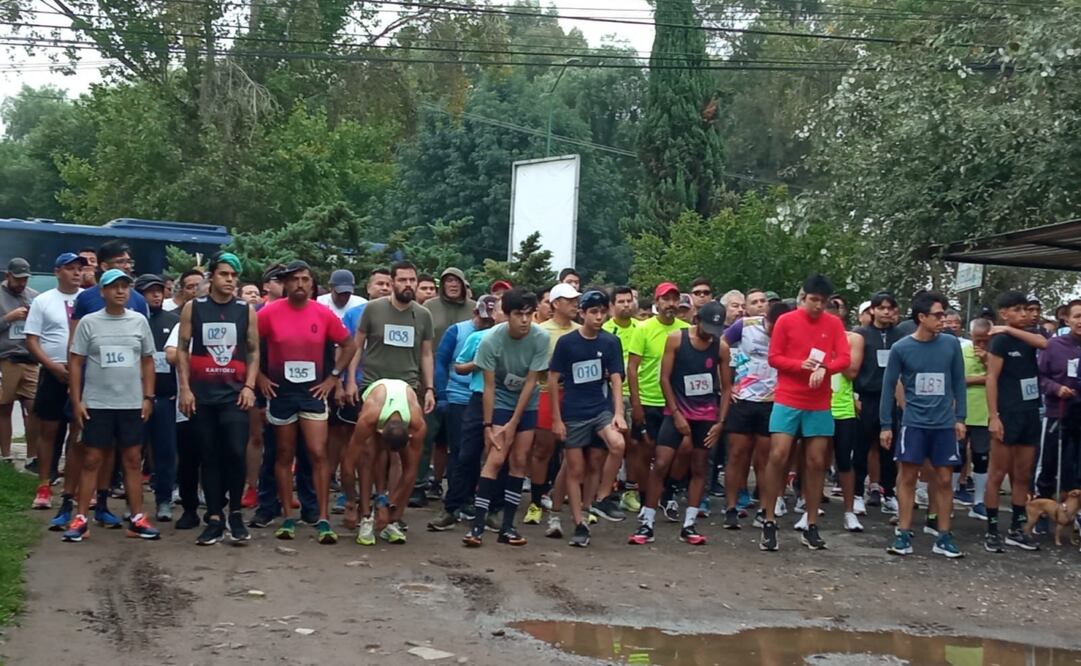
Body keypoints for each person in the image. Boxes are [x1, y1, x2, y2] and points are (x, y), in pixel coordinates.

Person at [257, 260, 357, 544]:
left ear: (313, 284)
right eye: (295, 280)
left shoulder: (322, 314)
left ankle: (323, 518)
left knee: (317, 452)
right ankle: (288, 516)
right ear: (286, 284)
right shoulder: (269, 313)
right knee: (284, 453)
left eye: (305, 279)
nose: (300, 284)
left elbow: (349, 344)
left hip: (313, 392)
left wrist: (334, 377)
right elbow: (248, 344)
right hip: (281, 392)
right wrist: (260, 377)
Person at [342, 260, 435, 543]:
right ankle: (366, 514)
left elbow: (426, 354)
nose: (408, 285)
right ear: (392, 282)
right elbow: (357, 346)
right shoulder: (374, 309)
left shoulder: (423, 315)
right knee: (371, 454)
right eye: (403, 280)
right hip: (374, 387)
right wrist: (349, 380)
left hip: (409, 387)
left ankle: (393, 514)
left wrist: (430, 388)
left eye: (412, 280)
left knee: (402, 459)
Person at [63, 269, 159, 542]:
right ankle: (80, 518)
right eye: (114, 287)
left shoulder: (139, 321)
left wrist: (148, 397)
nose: (120, 291)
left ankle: (138, 517)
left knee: (131, 459)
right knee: (92, 458)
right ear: (102, 291)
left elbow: (148, 360)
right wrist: (77, 399)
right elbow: (76, 361)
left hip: (130, 403)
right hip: (97, 403)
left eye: (125, 287)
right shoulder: (89, 323)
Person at [759, 274, 850, 552]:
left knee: (816, 460)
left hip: (819, 401)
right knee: (779, 454)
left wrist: (826, 368)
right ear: (803, 297)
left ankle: (811, 523)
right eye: (813, 300)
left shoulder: (833, 324)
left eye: (823, 302)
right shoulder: (786, 321)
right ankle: (770, 518)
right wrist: (803, 366)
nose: (818, 306)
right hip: (788, 397)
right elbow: (774, 358)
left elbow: (844, 357)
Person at [176, 253, 260, 545]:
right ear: (212, 277)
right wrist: (185, 389)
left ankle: (235, 513)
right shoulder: (193, 308)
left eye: (234, 276)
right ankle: (214, 517)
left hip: (234, 395)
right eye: (225, 275)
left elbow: (252, 350)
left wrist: (249, 387)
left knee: (236, 453)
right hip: (202, 395)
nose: (230, 281)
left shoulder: (244, 309)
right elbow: (183, 349)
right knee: (208, 457)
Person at [632, 302, 731, 546]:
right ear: (697, 320)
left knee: (699, 468)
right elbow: (664, 378)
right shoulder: (677, 339)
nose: (710, 333)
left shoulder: (721, 347)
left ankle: (689, 524)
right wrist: (675, 413)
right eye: (707, 327)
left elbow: (728, 387)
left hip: (706, 414)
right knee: (662, 463)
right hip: (677, 411)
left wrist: (721, 422)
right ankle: (647, 521)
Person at [880, 291, 967, 558]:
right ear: (921, 317)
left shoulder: (951, 345)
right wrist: (886, 424)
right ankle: (903, 534)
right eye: (938, 315)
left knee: (943, 479)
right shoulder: (901, 348)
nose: (944, 320)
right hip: (913, 423)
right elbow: (888, 386)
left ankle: (943, 535)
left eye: (944, 314)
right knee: (907, 477)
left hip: (943, 424)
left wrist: (960, 418)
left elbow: (958, 382)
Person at [462, 289, 549, 547]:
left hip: (527, 401)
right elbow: (488, 386)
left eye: (528, 314)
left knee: (520, 458)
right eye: (518, 314)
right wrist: (489, 425)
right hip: (500, 399)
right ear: (507, 315)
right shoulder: (491, 340)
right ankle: (477, 526)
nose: (524, 320)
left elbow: (532, 383)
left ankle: (508, 526)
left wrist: (514, 423)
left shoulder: (540, 338)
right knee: (496, 456)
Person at [548, 290, 627, 547]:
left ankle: (600, 499)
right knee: (574, 469)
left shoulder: (610, 342)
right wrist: (556, 419)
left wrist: (618, 413)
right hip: (573, 412)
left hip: (599, 409)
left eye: (603, 311)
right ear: (582, 313)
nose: (599, 316)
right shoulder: (567, 343)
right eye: (593, 311)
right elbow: (552, 379)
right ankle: (577, 522)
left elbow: (616, 378)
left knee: (617, 445)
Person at [428, 297, 507, 531]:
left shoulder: (521, 341)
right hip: (474, 398)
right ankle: (453, 507)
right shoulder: (475, 337)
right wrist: (478, 362)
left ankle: (494, 509)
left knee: (499, 456)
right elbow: (456, 366)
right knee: (464, 454)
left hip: (504, 401)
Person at [984, 291, 1048, 553]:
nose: (1025, 314)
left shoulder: (1027, 338)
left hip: (1030, 412)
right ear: (1004, 313)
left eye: (1027, 309)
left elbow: (1044, 343)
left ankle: (1017, 529)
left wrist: (1011, 331)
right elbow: (990, 378)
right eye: (1018, 310)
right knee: (997, 474)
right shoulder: (999, 342)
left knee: (1022, 475)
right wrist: (994, 416)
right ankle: (991, 530)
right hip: (1007, 414)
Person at [24, 253, 85, 519]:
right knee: (49, 428)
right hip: (54, 369)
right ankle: (44, 484)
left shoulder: (88, 298)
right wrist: (51, 366)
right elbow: (32, 339)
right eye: (70, 269)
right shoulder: (43, 300)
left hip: (81, 371)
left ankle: (75, 488)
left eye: (79, 269)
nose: (76, 274)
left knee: (78, 430)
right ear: (57, 271)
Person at [722, 301, 789, 529]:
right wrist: (726, 384)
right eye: (771, 324)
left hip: (772, 402)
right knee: (737, 454)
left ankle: (764, 509)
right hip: (742, 398)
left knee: (765, 460)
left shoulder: (789, 332)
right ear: (765, 318)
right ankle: (730, 508)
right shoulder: (744, 325)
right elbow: (720, 346)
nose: (773, 330)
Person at [628, 283, 690, 525]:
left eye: (675, 299)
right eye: (666, 299)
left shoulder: (686, 330)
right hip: (648, 398)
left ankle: (669, 492)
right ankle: (646, 498)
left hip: (677, 402)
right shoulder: (643, 328)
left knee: (683, 450)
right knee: (644, 450)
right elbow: (632, 368)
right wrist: (636, 402)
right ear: (657, 301)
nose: (671, 304)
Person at [414, 267, 474, 505]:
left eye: (456, 280)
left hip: (466, 381)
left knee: (457, 440)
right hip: (430, 379)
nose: (452, 284)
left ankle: (452, 487)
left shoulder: (474, 308)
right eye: (447, 280)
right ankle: (418, 484)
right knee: (426, 434)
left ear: (463, 283)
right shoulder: (429, 306)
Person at [524, 282, 582, 526]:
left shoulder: (582, 330)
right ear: (556, 304)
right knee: (542, 450)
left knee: (575, 452)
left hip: (577, 395)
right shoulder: (540, 332)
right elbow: (532, 368)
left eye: (576, 300)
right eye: (569, 301)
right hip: (547, 393)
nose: (575, 305)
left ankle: (574, 503)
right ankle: (536, 501)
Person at [346, 379, 427, 545]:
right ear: (379, 432)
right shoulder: (369, 418)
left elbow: (411, 471)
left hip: (404, 397)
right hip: (378, 395)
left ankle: (392, 520)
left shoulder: (417, 425)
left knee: (409, 464)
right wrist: (350, 503)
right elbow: (348, 464)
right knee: (369, 456)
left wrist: (389, 504)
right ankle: (367, 516)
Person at [133, 274, 181, 523]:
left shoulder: (174, 321)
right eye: (150, 291)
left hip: (165, 396)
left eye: (159, 290)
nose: (156, 295)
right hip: (134, 398)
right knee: (132, 452)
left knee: (165, 450)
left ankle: (164, 499)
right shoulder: (132, 321)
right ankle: (134, 504)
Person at [855, 292, 904, 515]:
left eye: (890, 308)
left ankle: (889, 493)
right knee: (862, 446)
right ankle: (857, 493)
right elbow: (854, 369)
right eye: (881, 307)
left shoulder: (901, 336)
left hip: (893, 398)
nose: (886, 312)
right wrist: (855, 396)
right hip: (868, 397)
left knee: (889, 449)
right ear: (872, 310)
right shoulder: (861, 335)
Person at [1035, 300, 1081, 506]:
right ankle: (1043, 505)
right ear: (1067, 319)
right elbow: (1040, 377)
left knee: (1076, 466)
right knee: (1050, 462)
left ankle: (1073, 512)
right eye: (1077, 316)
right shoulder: (1054, 345)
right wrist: (1056, 389)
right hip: (1058, 413)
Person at [602, 286, 641, 513]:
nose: (627, 305)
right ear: (612, 306)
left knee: (633, 445)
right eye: (621, 301)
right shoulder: (605, 329)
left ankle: (630, 490)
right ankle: (607, 491)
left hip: (636, 393)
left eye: (629, 301)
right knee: (611, 445)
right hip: (609, 394)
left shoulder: (641, 328)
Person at [827, 301, 866, 535]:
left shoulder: (851, 339)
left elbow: (851, 371)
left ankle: (849, 511)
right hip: (817, 405)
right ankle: (805, 507)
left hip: (843, 408)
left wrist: (833, 350)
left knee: (844, 460)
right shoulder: (811, 337)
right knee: (815, 460)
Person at [0, 258, 38, 462]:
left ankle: (32, 456)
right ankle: (5, 456)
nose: (22, 283)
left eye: (25, 279)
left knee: (33, 408)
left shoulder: (34, 296)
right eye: (18, 279)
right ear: (8, 276)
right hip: (6, 358)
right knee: (4, 407)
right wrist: (8, 318)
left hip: (30, 358)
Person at [963, 318, 992, 519]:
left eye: (985, 341)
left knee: (982, 456)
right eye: (977, 340)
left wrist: (986, 361)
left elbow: (999, 377)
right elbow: (958, 379)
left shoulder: (994, 355)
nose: (980, 345)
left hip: (985, 413)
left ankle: (979, 501)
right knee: (956, 455)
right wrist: (985, 378)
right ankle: (955, 491)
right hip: (962, 411)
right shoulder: (960, 352)